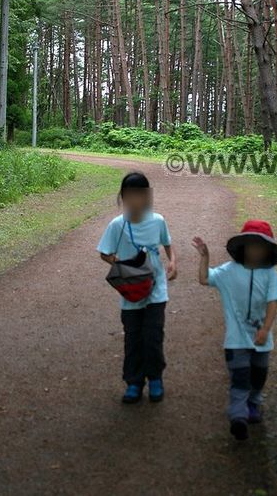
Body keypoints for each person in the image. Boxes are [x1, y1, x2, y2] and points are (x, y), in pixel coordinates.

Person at [191, 219, 277, 440]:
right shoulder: (228, 271)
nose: (255, 251)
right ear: (243, 247)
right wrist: (205, 257)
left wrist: (265, 329)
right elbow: (205, 279)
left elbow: (274, 301)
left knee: (259, 375)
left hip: (262, 340)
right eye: (251, 246)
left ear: (268, 251)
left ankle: (254, 402)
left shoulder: (270, 274)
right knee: (240, 376)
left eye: (260, 247)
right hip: (236, 340)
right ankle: (238, 416)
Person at [97, 171, 177, 404]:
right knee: (133, 337)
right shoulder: (116, 225)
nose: (135, 199)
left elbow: (168, 244)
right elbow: (104, 252)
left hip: (156, 289)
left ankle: (155, 379)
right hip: (130, 291)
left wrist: (173, 262)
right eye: (130, 195)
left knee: (153, 335)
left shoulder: (158, 221)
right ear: (123, 197)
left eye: (139, 195)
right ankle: (133, 383)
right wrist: (123, 264)